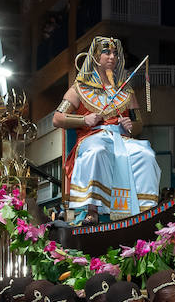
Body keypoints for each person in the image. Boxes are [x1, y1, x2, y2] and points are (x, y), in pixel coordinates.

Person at [53, 36, 158, 225]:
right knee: (97, 151)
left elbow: (138, 123)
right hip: (92, 136)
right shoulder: (79, 88)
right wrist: (84, 119)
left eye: (115, 53)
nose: (112, 57)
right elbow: (57, 118)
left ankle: (145, 209)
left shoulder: (126, 91)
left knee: (146, 153)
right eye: (106, 52)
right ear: (94, 56)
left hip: (122, 139)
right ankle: (92, 211)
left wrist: (130, 126)